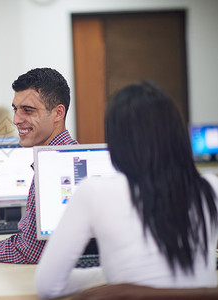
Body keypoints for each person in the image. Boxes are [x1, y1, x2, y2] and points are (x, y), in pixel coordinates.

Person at [34, 81, 218, 298]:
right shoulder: (210, 188)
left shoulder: (95, 192)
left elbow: (48, 287)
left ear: (117, 140)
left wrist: (115, 279)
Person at [0, 67, 78, 263]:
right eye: (15, 109)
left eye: (28, 110)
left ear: (58, 113)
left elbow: (29, 250)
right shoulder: (61, 154)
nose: (16, 120)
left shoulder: (54, 165)